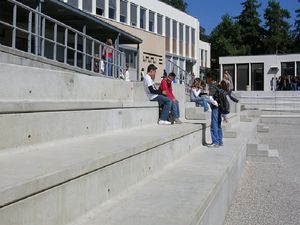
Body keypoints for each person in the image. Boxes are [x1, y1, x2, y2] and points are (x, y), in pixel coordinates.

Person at [206, 73, 223, 148]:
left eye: (207, 78)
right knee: (218, 123)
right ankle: (219, 141)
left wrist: (209, 101)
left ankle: (215, 142)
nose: (206, 79)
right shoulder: (219, 85)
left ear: (210, 78)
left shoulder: (212, 86)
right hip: (221, 106)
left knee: (214, 124)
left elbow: (211, 98)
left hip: (215, 107)